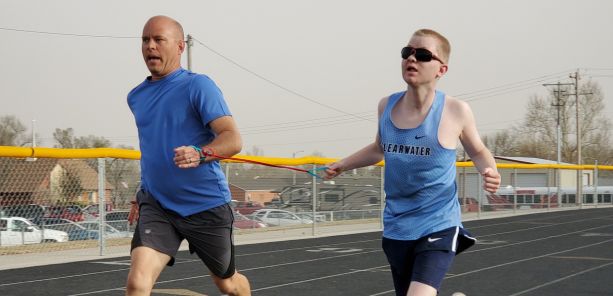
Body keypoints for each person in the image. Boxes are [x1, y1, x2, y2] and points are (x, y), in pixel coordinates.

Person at [324, 29, 500, 296]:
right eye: (407, 52)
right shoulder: (386, 106)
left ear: (442, 69)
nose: (412, 59)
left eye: (423, 55)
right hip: (397, 225)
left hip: (439, 221)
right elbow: (379, 148)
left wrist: (490, 170)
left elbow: (477, 151)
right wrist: (344, 164)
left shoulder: (455, 110)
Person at [125, 15, 251, 296]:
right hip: (159, 206)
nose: (150, 46)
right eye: (145, 40)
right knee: (137, 284)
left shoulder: (199, 86)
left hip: (205, 206)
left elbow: (233, 139)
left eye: (159, 39)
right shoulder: (136, 97)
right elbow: (152, 149)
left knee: (227, 283)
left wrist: (201, 152)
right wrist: (140, 191)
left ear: (180, 47)